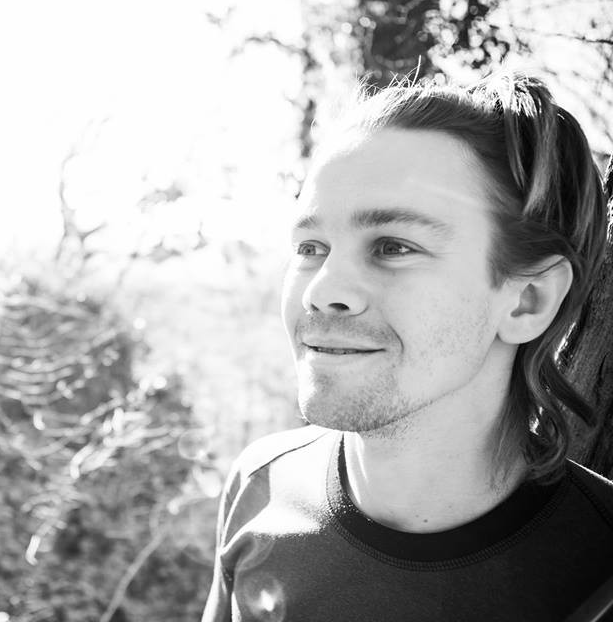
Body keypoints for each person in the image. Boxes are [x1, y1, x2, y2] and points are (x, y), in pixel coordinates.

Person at [202, 72, 613, 621]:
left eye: (394, 246)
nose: (322, 290)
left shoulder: (599, 567)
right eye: (310, 246)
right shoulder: (261, 484)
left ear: (526, 301)